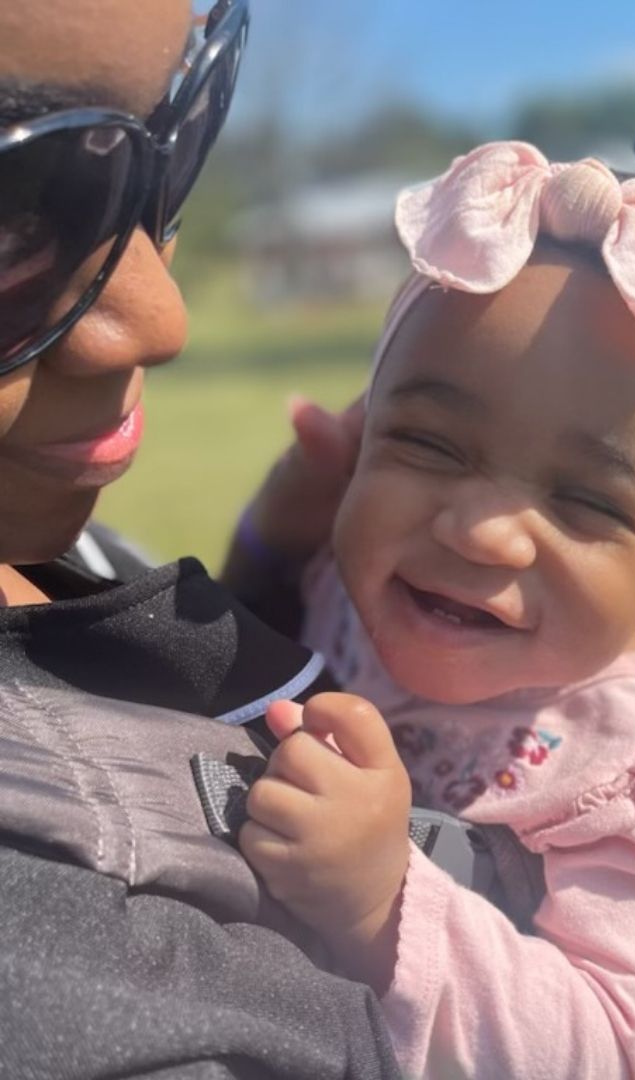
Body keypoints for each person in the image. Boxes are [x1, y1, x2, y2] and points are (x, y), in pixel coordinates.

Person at [232, 129, 635, 1079]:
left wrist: (385, 902)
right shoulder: (342, 574)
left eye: (587, 501)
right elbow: (248, 641)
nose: (483, 532)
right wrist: (276, 526)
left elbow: (614, 1047)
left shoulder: (633, 768)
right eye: (430, 445)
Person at [0, 2, 402, 1076]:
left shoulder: (60, 549)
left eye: (168, 142)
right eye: (5, 213)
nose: (161, 315)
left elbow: (183, 714)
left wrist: (270, 559)